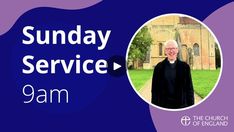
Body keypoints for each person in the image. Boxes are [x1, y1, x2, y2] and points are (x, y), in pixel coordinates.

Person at [151, 40, 194, 109]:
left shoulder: (185, 67)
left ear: (177, 50)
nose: (171, 51)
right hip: (163, 105)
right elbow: (154, 90)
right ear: (165, 51)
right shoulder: (158, 67)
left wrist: (191, 106)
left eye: (173, 48)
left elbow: (189, 89)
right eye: (168, 49)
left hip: (181, 105)